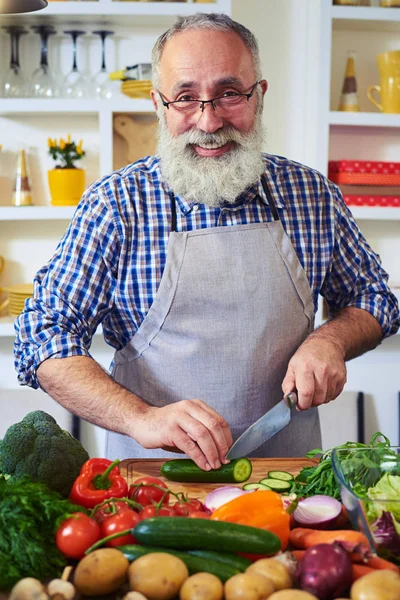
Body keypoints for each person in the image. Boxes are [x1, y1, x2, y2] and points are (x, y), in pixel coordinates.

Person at [15, 13, 399, 469]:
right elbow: (42, 333)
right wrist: (141, 418)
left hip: (288, 485)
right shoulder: (116, 205)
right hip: (154, 487)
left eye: (229, 93)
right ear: (159, 105)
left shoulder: (311, 195)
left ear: (259, 95)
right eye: (185, 98)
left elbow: (373, 296)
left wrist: (330, 341)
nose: (209, 120)